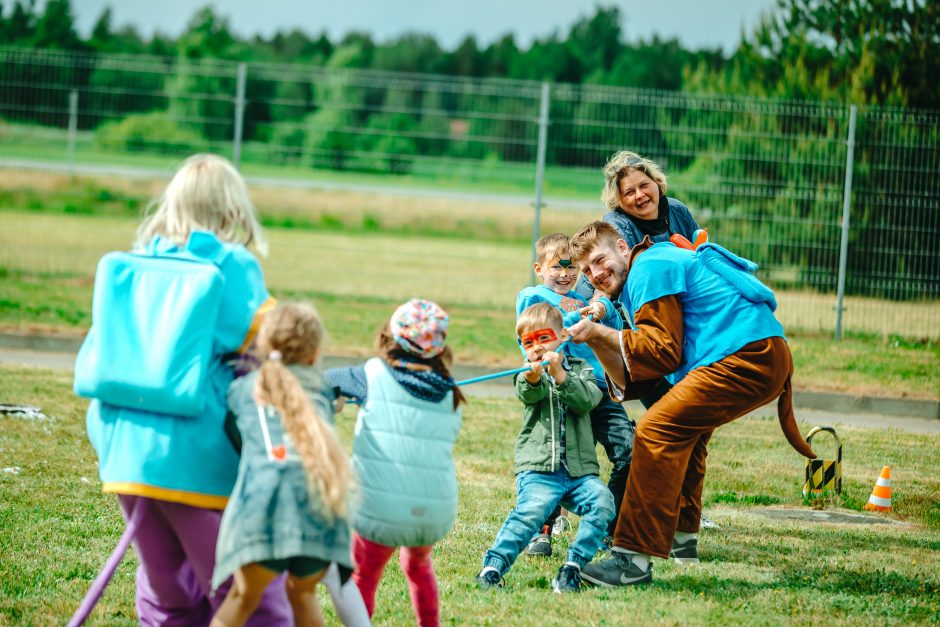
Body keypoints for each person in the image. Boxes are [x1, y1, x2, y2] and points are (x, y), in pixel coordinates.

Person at [80, 154, 291, 624]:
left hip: (125, 453)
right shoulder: (232, 264)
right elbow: (264, 342)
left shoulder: (135, 265)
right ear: (233, 210)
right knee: (247, 592)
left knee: (167, 594)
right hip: (197, 460)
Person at [566, 221, 816, 587]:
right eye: (588, 270)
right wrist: (597, 340)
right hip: (759, 352)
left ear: (622, 247)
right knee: (686, 431)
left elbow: (662, 351)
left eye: (600, 260)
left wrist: (603, 332)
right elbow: (635, 373)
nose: (597, 274)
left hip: (747, 353)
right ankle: (683, 540)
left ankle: (632, 562)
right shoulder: (648, 269)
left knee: (655, 429)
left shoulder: (649, 266)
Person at [211, 302, 356, 626]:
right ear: (314, 354)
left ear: (264, 345)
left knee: (242, 598)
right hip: (320, 510)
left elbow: (235, 434)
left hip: (263, 508)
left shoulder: (243, 388)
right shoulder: (321, 390)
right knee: (302, 593)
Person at [326, 299, 464, 627]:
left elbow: (322, 380)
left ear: (391, 336)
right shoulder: (451, 392)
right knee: (418, 565)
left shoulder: (371, 374)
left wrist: (336, 399)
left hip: (380, 510)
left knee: (363, 574)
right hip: (433, 513)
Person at [475, 303, 614, 594]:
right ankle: (492, 568)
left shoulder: (582, 370)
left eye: (543, 338)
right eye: (528, 342)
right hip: (539, 469)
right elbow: (528, 393)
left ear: (563, 336)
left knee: (602, 503)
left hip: (579, 473)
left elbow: (588, 400)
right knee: (530, 513)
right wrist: (535, 375)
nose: (536, 348)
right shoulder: (525, 374)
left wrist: (560, 374)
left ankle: (573, 568)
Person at [515, 233, 632, 557]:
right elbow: (541, 331)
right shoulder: (533, 296)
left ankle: (609, 530)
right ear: (540, 268)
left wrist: (599, 305)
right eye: (558, 267)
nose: (566, 274)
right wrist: (582, 317)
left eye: (573, 268)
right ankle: (542, 530)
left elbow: (612, 312)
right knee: (553, 461)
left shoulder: (582, 302)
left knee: (630, 451)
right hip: (558, 390)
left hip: (597, 387)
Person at [574, 150, 700, 409]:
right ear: (618, 199)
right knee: (667, 408)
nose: (640, 195)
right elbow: (612, 278)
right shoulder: (617, 225)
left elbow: (696, 253)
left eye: (644, 185)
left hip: (672, 315)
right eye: (629, 192)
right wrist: (598, 308)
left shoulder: (677, 210)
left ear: (657, 183)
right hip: (622, 316)